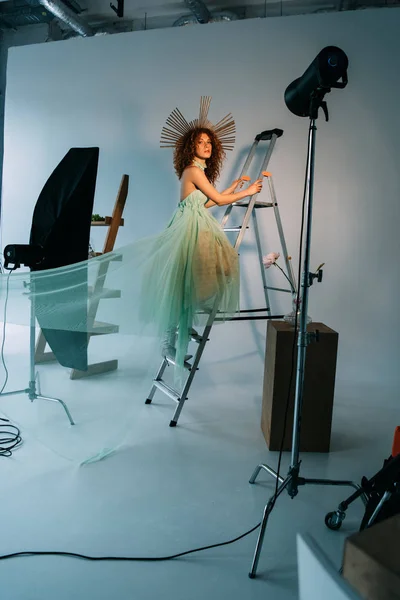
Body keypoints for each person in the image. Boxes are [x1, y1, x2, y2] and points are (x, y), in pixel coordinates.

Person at [140, 98, 262, 374]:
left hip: (194, 222)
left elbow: (204, 202)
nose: (206, 146)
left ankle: (182, 329)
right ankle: (170, 340)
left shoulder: (197, 173)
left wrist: (232, 186)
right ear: (190, 147)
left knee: (193, 279)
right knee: (190, 279)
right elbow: (217, 200)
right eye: (200, 142)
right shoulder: (193, 170)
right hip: (190, 228)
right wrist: (247, 191)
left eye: (209, 143)